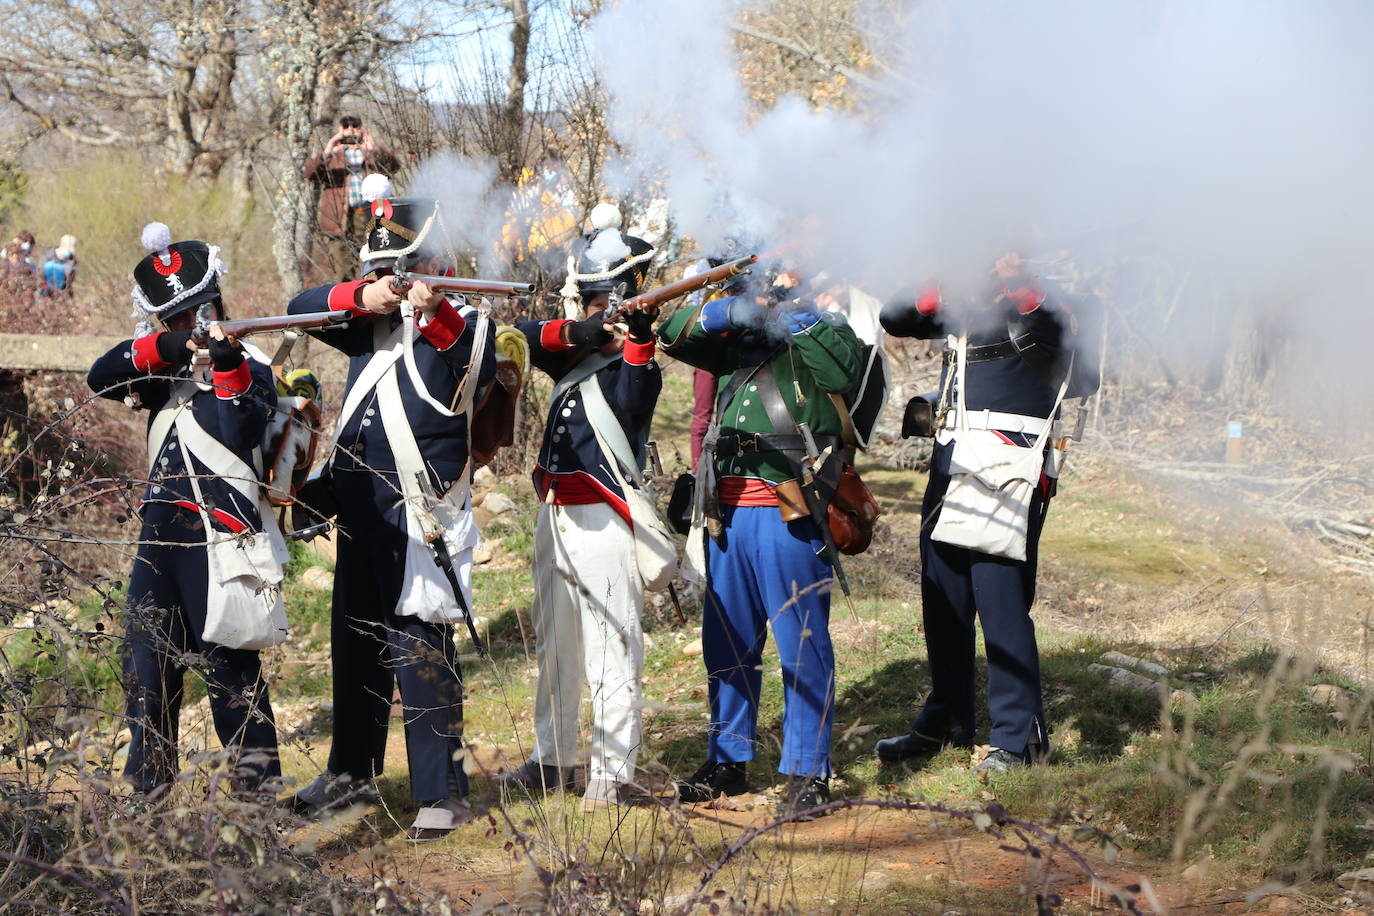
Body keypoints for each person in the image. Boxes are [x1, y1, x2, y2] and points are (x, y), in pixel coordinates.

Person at [285, 193, 496, 841]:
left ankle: (444, 792)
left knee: (420, 648)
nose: (384, 282)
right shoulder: (366, 319)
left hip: (416, 516)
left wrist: (429, 308)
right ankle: (351, 771)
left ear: (432, 264)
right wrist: (363, 296)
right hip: (356, 512)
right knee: (355, 650)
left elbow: (466, 361)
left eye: (394, 271)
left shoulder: (469, 323)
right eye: (375, 271)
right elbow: (299, 308)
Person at [873, 252, 1100, 774]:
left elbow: (1079, 370)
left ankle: (1019, 738)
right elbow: (896, 317)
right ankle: (948, 718)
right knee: (943, 599)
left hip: (1009, 464)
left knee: (1001, 604)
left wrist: (1018, 281)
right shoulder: (965, 295)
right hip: (952, 457)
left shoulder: (1048, 299)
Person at [657, 265, 862, 818]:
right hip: (726, 507)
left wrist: (794, 315)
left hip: (789, 506)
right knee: (726, 643)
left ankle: (807, 770)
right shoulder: (732, 340)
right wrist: (731, 308)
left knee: (801, 642)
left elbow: (843, 372)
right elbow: (671, 331)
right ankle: (727, 761)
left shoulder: (828, 329)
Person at [86, 223, 283, 797]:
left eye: (197, 311)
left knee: (231, 673)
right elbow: (102, 376)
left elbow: (239, 426)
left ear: (216, 302)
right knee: (146, 665)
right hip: (159, 540)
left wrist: (223, 361)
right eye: (175, 319)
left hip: (219, 538)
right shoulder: (162, 371)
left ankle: (259, 800)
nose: (189, 324)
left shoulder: (253, 366)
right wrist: (170, 349)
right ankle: (150, 792)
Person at [502, 202, 661, 809]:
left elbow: (636, 386)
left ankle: (612, 772)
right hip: (554, 515)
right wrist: (581, 332)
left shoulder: (635, 366)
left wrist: (637, 332)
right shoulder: (571, 347)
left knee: (611, 644)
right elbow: (526, 338)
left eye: (601, 305)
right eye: (590, 306)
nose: (595, 315)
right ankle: (553, 758)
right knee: (557, 643)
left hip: (602, 516)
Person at [304, 114, 400, 281]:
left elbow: (393, 167)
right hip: (340, 218)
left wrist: (374, 149)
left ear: (361, 128)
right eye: (346, 125)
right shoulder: (333, 156)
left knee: (378, 264)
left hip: (370, 214)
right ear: (340, 129)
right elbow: (309, 174)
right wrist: (328, 150)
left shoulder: (371, 153)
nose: (350, 129)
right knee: (343, 270)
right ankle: (346, 304)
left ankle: (377, 302)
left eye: (355, 124)